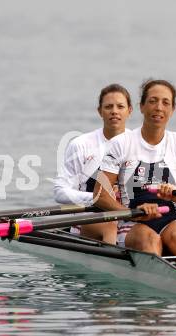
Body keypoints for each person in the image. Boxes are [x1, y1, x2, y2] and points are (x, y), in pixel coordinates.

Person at [93, 79, 176, 255]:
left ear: (172, 110)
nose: (159, 107)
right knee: (150, 240)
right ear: (142, 107)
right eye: (153, 101)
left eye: (165, 102)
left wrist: (175, 196)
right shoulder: (120, 144)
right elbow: (100, 196)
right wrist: (132, 213)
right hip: (131, 222)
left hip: (170, 218)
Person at [54, 84, 132, 244]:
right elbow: (60, 192)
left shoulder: (139, 144)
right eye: (108, 106)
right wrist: (99, 197)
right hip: (89, 218)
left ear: (129, 110)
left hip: (127, 216)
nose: (114, 111)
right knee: (110, 224)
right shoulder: (80, 145)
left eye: (120, 106)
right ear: (100, 111)